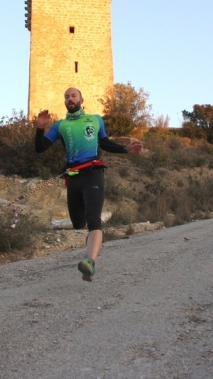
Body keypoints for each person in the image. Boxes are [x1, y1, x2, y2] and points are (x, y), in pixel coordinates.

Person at [35, 87, 143, 281]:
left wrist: (125, 149)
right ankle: (94, 237)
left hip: (93, 174)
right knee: (78, 223)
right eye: (66, 96)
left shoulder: (95, 119)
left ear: (81, 99)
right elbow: (40, 148)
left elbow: (105, 144)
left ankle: (90, 262)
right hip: (73, 177)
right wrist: (40, 128)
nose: (70, 98)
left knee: (93, 219)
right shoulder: (60, 125)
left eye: (73, 95)